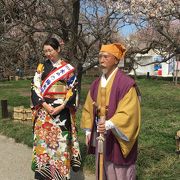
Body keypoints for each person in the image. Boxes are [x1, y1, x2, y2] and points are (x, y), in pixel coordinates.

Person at [81, 43, 141, 180]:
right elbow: (88, 107)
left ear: (116, 60)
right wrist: (88, 131)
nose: (101, 60)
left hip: (117, 135)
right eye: (100, 56)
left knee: (119, 171)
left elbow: (129, 112)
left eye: (106, 56)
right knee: (102, 169)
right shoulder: (96, 84)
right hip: (101, 136)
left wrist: (110, 123)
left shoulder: (126, 84)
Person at [31, 37, 81, 180]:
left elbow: (73, 89)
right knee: (44, 143)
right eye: (45, 51)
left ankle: (60, 174)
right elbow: (35, 87)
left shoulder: (67, 68)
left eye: (50, 50)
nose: (48, 54)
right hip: (44, 111)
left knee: (61, 144)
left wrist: (63, 105)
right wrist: (44, 104)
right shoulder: (41, 67)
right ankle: (43, 174)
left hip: (62, 112)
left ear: (58, 49)